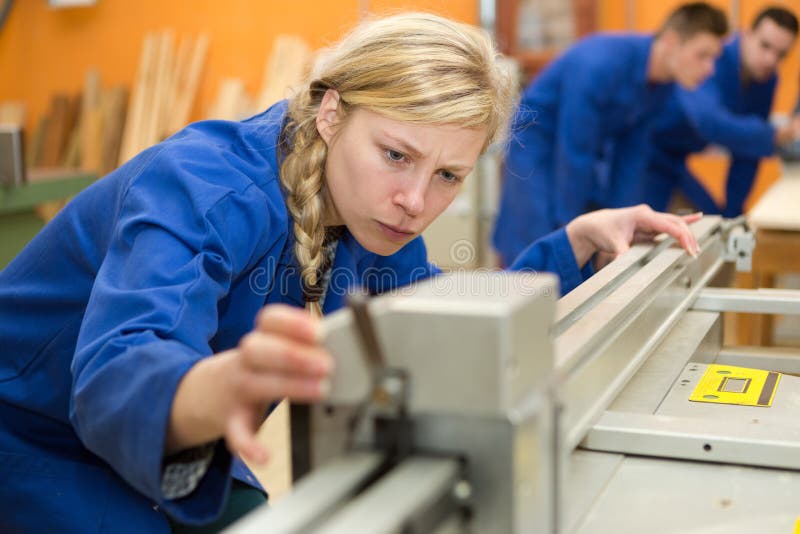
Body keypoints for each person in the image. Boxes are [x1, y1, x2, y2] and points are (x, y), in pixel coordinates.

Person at [0, 12, 700, 533]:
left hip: (180, 447)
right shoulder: (199, 189)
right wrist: (219, 384)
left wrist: (574, 244)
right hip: (34, 439)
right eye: (396, 155)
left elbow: (435, 328)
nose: (415, 202)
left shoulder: (379, 224)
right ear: (332, 113)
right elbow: (117, 371)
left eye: (448, 175)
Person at [492, 2, 726, 267]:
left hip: (580, 148)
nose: (710, 69)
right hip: (537, 144)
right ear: (672, 41)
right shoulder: (601, 63)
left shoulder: (662, 85)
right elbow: (575, 151)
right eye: (702, 55)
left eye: (714, 58)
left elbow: (631, 158)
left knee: (585, 238)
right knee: (534, 238)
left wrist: (621, 225)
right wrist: (571, 233)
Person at [642, 6, 800, 216]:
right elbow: (709, 122)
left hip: (673, 162)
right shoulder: (712, 57)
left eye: (781, 54)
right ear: (747, 34)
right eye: (765, 46)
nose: (771, 60)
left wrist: (733, 215)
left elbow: (748, 152)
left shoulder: (766, 80)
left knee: (716, 223)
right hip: (644, 154)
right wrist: (776, 134)